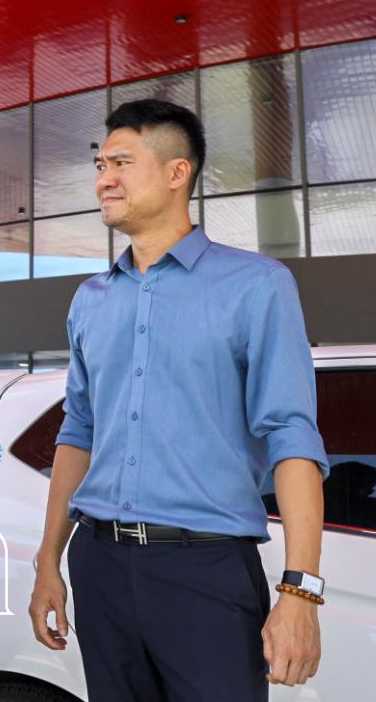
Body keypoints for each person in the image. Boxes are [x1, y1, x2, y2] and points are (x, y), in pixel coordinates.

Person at [28, 99, 329, 700]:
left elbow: (291, 433)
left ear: (176, 172)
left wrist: (300, 591)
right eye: (100, 165)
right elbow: (78, 431)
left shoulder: (257, 285)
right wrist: (48, 564)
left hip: (206, 571)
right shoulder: (90, 300)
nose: (104, 179)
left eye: (121, 162)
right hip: (99, 565)